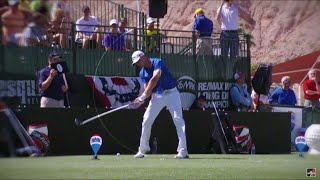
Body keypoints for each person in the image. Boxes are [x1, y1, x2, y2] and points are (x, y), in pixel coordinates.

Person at [131, 50, 189, 159]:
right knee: (147, 120)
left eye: (138, 61)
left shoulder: (157, 62)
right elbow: (147, 89)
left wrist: (143, 95)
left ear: (144, 57)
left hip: (172, 93)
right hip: (157, 96)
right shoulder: (142, 73)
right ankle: (143, 149)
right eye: (136, 63)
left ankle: (183, 151)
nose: (138, 64)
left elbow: (155, 77)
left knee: (178, 120)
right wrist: (142, 98)